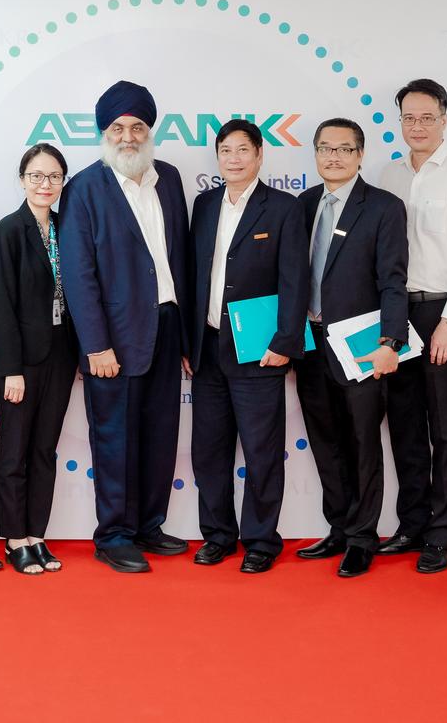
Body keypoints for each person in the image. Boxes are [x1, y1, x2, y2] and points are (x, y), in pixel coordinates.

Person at [59, 81, 193, 574]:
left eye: (137, 127)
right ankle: (114, 535)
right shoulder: (84, 188)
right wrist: (95, 344)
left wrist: (188, 339)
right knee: (115, 438)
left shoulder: (169, 179)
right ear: (104, 133)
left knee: (161, 433)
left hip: (167, 325)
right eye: (118, 128)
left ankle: (148, 525)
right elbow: (78, 275)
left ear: (149, 131)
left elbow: (182, 258)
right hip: (114, 336)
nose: (128, 136)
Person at [374, 78, 447, 573]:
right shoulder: (388, 175)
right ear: (399, 121)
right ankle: (412, 524)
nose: (417, 126)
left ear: (444, 119)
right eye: (408, 118)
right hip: (396, 314)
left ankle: (442, 533)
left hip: (442, 313)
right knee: (403, 424)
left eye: (427, 117)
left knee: (444, 428)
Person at [189, 119, 309, 574]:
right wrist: (187, 342)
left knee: (261, 450)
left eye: (243, 150)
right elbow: (192, 273)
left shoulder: (283, 207)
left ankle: (260, 539)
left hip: (259, 350)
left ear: (260, 155)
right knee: (209, 451)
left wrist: (285, 340)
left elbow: (295, 278)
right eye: (226, 150)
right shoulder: (204, 205)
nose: (234, 159)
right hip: (207, 347)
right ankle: (217, 535)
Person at [294, 118, 409, 578]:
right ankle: (339, 528)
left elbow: (394, 281)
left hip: (361, 345)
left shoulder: (384, 207)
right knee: (326, 441)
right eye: (325, 148)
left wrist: (390, 342)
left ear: (361, 155)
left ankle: (363, 538)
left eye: (344, 149)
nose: (334, 157)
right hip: (309, 343)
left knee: (363, 442)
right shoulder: (303, 205)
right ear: (315, 154)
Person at [0, 143, 78, 575]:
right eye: (37, 176)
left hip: (61, 355)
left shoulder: (67, 226)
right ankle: (14, 538)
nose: (46, 184)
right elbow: (1, 304)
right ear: (22, 180)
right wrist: (10, 369)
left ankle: (36, 535)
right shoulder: (9, 230)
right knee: (14, 451)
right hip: (20, 362)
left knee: (44, 449)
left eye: (54, 177)